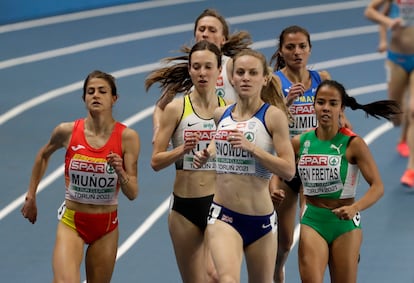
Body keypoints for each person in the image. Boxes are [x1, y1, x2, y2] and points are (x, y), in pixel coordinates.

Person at [21, 70, 140, 283]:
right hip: (72, 222)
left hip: (106, 226)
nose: (95, 95)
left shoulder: (127, 138)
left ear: (114, 99)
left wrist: (120, 171)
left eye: (102, 91)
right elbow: (43, 155)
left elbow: (133, 193)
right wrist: (31, 196)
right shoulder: (67, 131)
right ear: (84, 98)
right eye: (90, 91)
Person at [193, 49, 295, 283]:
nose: (246, 78)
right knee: (227, 279)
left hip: (261, 219)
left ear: (264, 78)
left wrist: (253, 150)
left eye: (252, 72)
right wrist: (207, 153)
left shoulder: (273, 117)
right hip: (223, 214)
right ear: (232, 78)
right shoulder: (222, 114)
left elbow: (288, 169)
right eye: (240, 72)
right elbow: (217, 143)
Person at [294, 80, 400, 283]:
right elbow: (283, 175)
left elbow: (378, 187)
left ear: (341, 108)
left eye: (333, 104)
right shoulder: (300, 142)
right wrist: (276, 189)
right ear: (313, 105)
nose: (326, 108)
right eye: (321, 102)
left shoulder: (353, 144)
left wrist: (355, 208)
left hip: (345, 224)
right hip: (313, 221)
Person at [267, 25, 343, 283]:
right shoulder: (275, 81)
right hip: (288, 166)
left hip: (317, 165)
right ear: (282, 51)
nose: (297, 52)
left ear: (310, 49)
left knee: (310, 228)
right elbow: (267, 121)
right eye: (290, 47)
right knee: (286, 241)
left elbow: (338, 117)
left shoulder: (321, 77)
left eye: (302, 47)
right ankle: (278, 266)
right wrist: (287, 103)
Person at [146, 40, 227, 283]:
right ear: (190, 70)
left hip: (220, 205)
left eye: (208, 67)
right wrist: (182, 150)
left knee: (217, 275)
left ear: (219, 69)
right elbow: (156, 161)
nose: (202, 73)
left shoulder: (229, 110)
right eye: (197, 67)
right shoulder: (176, 108)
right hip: (184, 208)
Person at [151, 8, 252, 142]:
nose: (205, 34)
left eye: (212, 30)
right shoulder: (189, 70)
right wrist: (158, 129)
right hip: (195, 148)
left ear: (223, 39)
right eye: (201, 29)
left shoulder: (232, 65)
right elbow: (160, 107)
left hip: (227, 145)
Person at [365, 0, 414, 186]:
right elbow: (371, 11)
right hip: (397, 59)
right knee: (396, 114)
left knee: (413, 110)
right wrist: (386, 29)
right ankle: (402, 135)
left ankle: (411, 169)